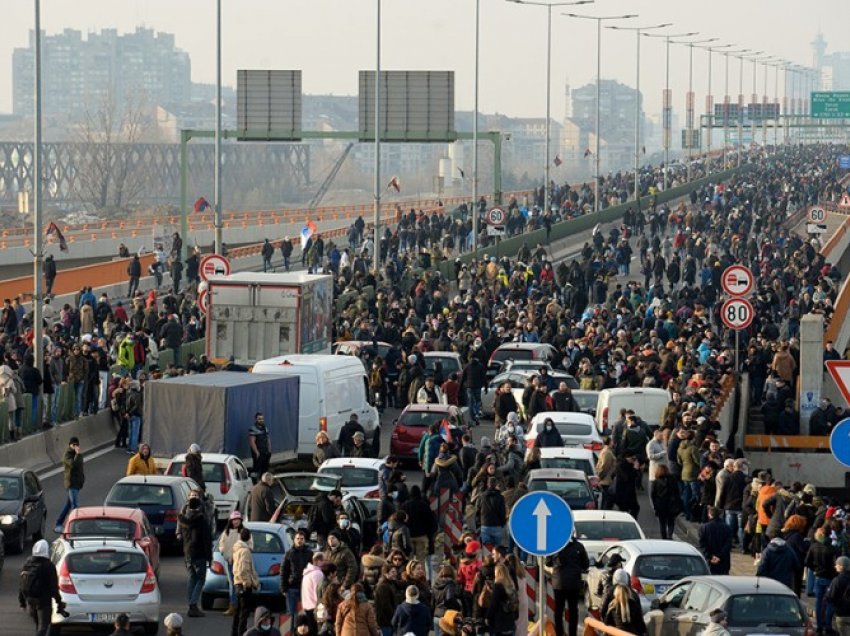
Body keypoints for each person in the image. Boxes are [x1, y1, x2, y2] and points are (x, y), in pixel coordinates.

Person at [179, 489, 213, 618]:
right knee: (200, 579)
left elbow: (183, 537)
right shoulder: (201, 521)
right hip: (199, 553)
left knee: (192, 578)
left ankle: (190, 604)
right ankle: (193, 604)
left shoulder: (183, 520)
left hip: (188, 553)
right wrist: (209, 557)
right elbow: (206, 540)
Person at [19, 539, 63, 636]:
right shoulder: (49, 566)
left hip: (30, 600)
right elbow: (53, 587)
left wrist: (22, 603)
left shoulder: (27, 564)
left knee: (38, 625)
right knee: (43, 627)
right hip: (44, 602)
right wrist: (59, 602)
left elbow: (22, 584)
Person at [547, 535, 589, 636]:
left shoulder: (555, 545)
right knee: (573, 611)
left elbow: (548, 562)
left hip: (559, 583)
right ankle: (572, 634)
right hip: (573, 583)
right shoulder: (579, 546)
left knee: (558, 611)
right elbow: (586, 564)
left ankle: (559, 633)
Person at [806, 528, 836, 634]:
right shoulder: (832, 549)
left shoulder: (814, 546)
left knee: (818, 603)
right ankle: (827, 626)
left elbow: (807, 561)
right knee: (830, 603)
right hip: (829, 578)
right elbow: (834, 565)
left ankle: (819, 626)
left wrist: (815, 569)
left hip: (818, 576)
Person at [218, 510, 248, 617]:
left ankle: (241, 606)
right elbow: (221, 544)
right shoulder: (226, 532)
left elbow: (250, 545)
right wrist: (223, 551)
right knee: (232, 584)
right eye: (234, 520)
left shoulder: (244, 532)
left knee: (240, 584)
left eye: (238, 520)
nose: (236, 522)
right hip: (229, 562)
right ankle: (233, 606)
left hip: (240, 562)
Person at [232, 527, 260, 636]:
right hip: (243, 584)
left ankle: (234, 632)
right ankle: (241, 633)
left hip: (237, 583)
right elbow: (244, 569)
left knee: (238, 611)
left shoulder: (237, 548)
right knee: (244, 612)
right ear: (249, 538)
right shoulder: (245, 551)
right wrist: (247, 583)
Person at [281, 528, 313, 620]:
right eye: (298, 538)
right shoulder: (289, 554)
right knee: (291, 614)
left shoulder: (309, 553)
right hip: (292, 588)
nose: (299, 541)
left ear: (305, 540)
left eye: (301, 539)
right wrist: (283, 587)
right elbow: (283, 571)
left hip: (305, 588)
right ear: (294, 540)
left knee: (305, 613)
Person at [54, 437, 84, 533]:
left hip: (77, 483)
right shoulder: (67, 455)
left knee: (68, 505)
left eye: (77, 444)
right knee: (75, 505)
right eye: (73, 445)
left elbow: (80, 465)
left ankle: (59, 523)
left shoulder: (78, 454)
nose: (75, 447)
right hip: (71, 484)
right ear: (70, 445)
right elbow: (73, 465)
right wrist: (78, 454)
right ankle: (75, 527)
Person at [699, 506, 733, 575]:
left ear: (709, 514)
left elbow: (702, 544)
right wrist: (719, 556)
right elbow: (728, 544)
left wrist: (710, 556)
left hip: (709, 562)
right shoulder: (727, 527)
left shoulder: (704, 528)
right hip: (723, 562)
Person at [486, 563, 518, 636]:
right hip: (511, 622)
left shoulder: (498, 585)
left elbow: (494, 604)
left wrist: (488, 617)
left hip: (500, 623)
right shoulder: (511, 585)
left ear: (498, 573)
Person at [650, 464, 681, 540]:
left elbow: (652, 494)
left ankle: (663, 537)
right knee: (671, 521)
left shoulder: (655, 482)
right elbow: (677, 492)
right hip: (671, 504)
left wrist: (655, 505)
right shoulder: (672, 480)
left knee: (662, 523)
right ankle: (670, 535)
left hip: (660, 505)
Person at [301, 552, 325, 633]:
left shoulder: (306, 573)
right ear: (318, 561)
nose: (324, 563)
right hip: (315, 607)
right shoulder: (318, 574)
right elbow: (318, 592)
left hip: (307, 606)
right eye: (323, 560)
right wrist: (321, 608)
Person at [827, 556, 850, 635]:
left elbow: (830, 597)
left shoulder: (837, 580)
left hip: (841, 614)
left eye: (837, 564)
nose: (835, 566)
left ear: (841, 566)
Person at [248, 412, 272, 478]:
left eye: (262, 419)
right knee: (256, 470)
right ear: (256, 419)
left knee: (265, 471)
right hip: (258, 453)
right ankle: (255, 483)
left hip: (266, 452)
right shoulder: (253, 429)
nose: (261, 420)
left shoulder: (265, 428)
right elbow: (252, 442)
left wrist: (269, 450)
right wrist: (257, 452)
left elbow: (268, 439)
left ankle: (263, 483)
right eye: (259, 419)